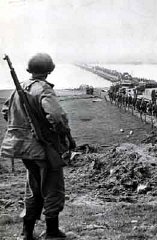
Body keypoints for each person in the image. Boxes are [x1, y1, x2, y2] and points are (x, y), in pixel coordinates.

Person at [1, 53, 76, 239]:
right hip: (43, 147)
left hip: (24, 149)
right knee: (53, 188)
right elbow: (57, 117)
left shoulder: (21, 88)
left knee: (33, 188)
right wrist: (54, 133)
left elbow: (6, 111)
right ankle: (51, 231)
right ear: (49, 70)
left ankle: (27, 232)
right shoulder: (43, 89)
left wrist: (29, 126)